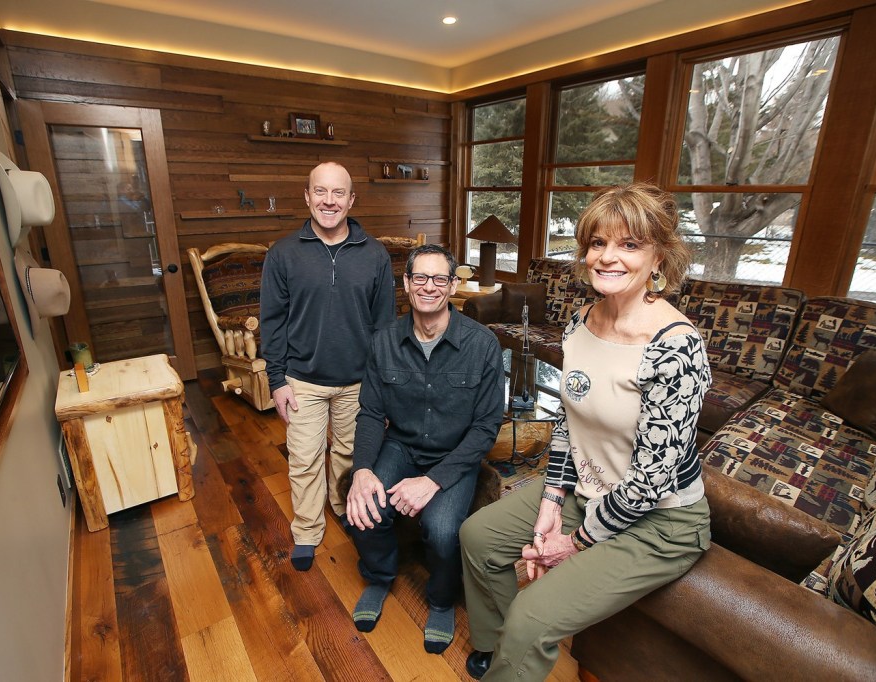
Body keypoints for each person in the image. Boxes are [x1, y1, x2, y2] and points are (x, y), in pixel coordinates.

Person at [459, 183, 712, 680]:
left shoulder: (676, 347)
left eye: (629, 245)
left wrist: (572, 542)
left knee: (534, 618)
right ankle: (496, 647)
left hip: (661, 521)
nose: (607, 257)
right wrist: (553, 499)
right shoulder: (579, 322)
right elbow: (570, 423)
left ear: (659, 256)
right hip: (588, 490)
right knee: (479, 537)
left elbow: (650, 481)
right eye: (598, 243)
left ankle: (518, 644)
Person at [345, 244, 505, 654]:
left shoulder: (482, 344)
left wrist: (433, 481)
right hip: (401, 446)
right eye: (420, 277)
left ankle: (440, 599)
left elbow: (486, 427)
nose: (429, 287)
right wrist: (362, 469)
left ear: (452, 285)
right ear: (406, 284)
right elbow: (369, 413)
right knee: (365, 508)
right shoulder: (383, 342)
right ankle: (379, 577)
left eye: (439, 279)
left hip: (454, 457)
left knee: (443, 529)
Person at [260, 162, 396, 571]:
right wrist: (277, 379)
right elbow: (272, 322)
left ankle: (342, 508)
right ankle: (306, 529)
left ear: (352, 200)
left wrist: (381, 384)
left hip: (359, 382)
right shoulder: (283, 254)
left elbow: (385, 325)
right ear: (307, 197)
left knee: (350, 455)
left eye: (339, 193)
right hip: (302, 380)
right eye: (321, 192)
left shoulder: (374, 255)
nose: (329, 201)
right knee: (303, 458)